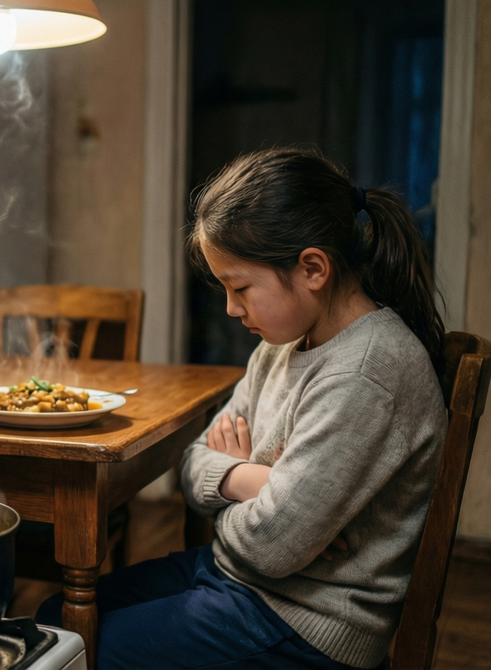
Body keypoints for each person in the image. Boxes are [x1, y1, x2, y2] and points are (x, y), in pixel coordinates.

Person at [38, 147, 448, 669]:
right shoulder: (278, 346)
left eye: (240, 288)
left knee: (72, 652)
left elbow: (274, 546)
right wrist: (256, 481)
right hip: (240, 578)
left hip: (303, 623)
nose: (232, 309)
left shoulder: (365, 373)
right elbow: (192, 464)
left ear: (313, 268)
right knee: (56, 620)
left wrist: (255, 504)